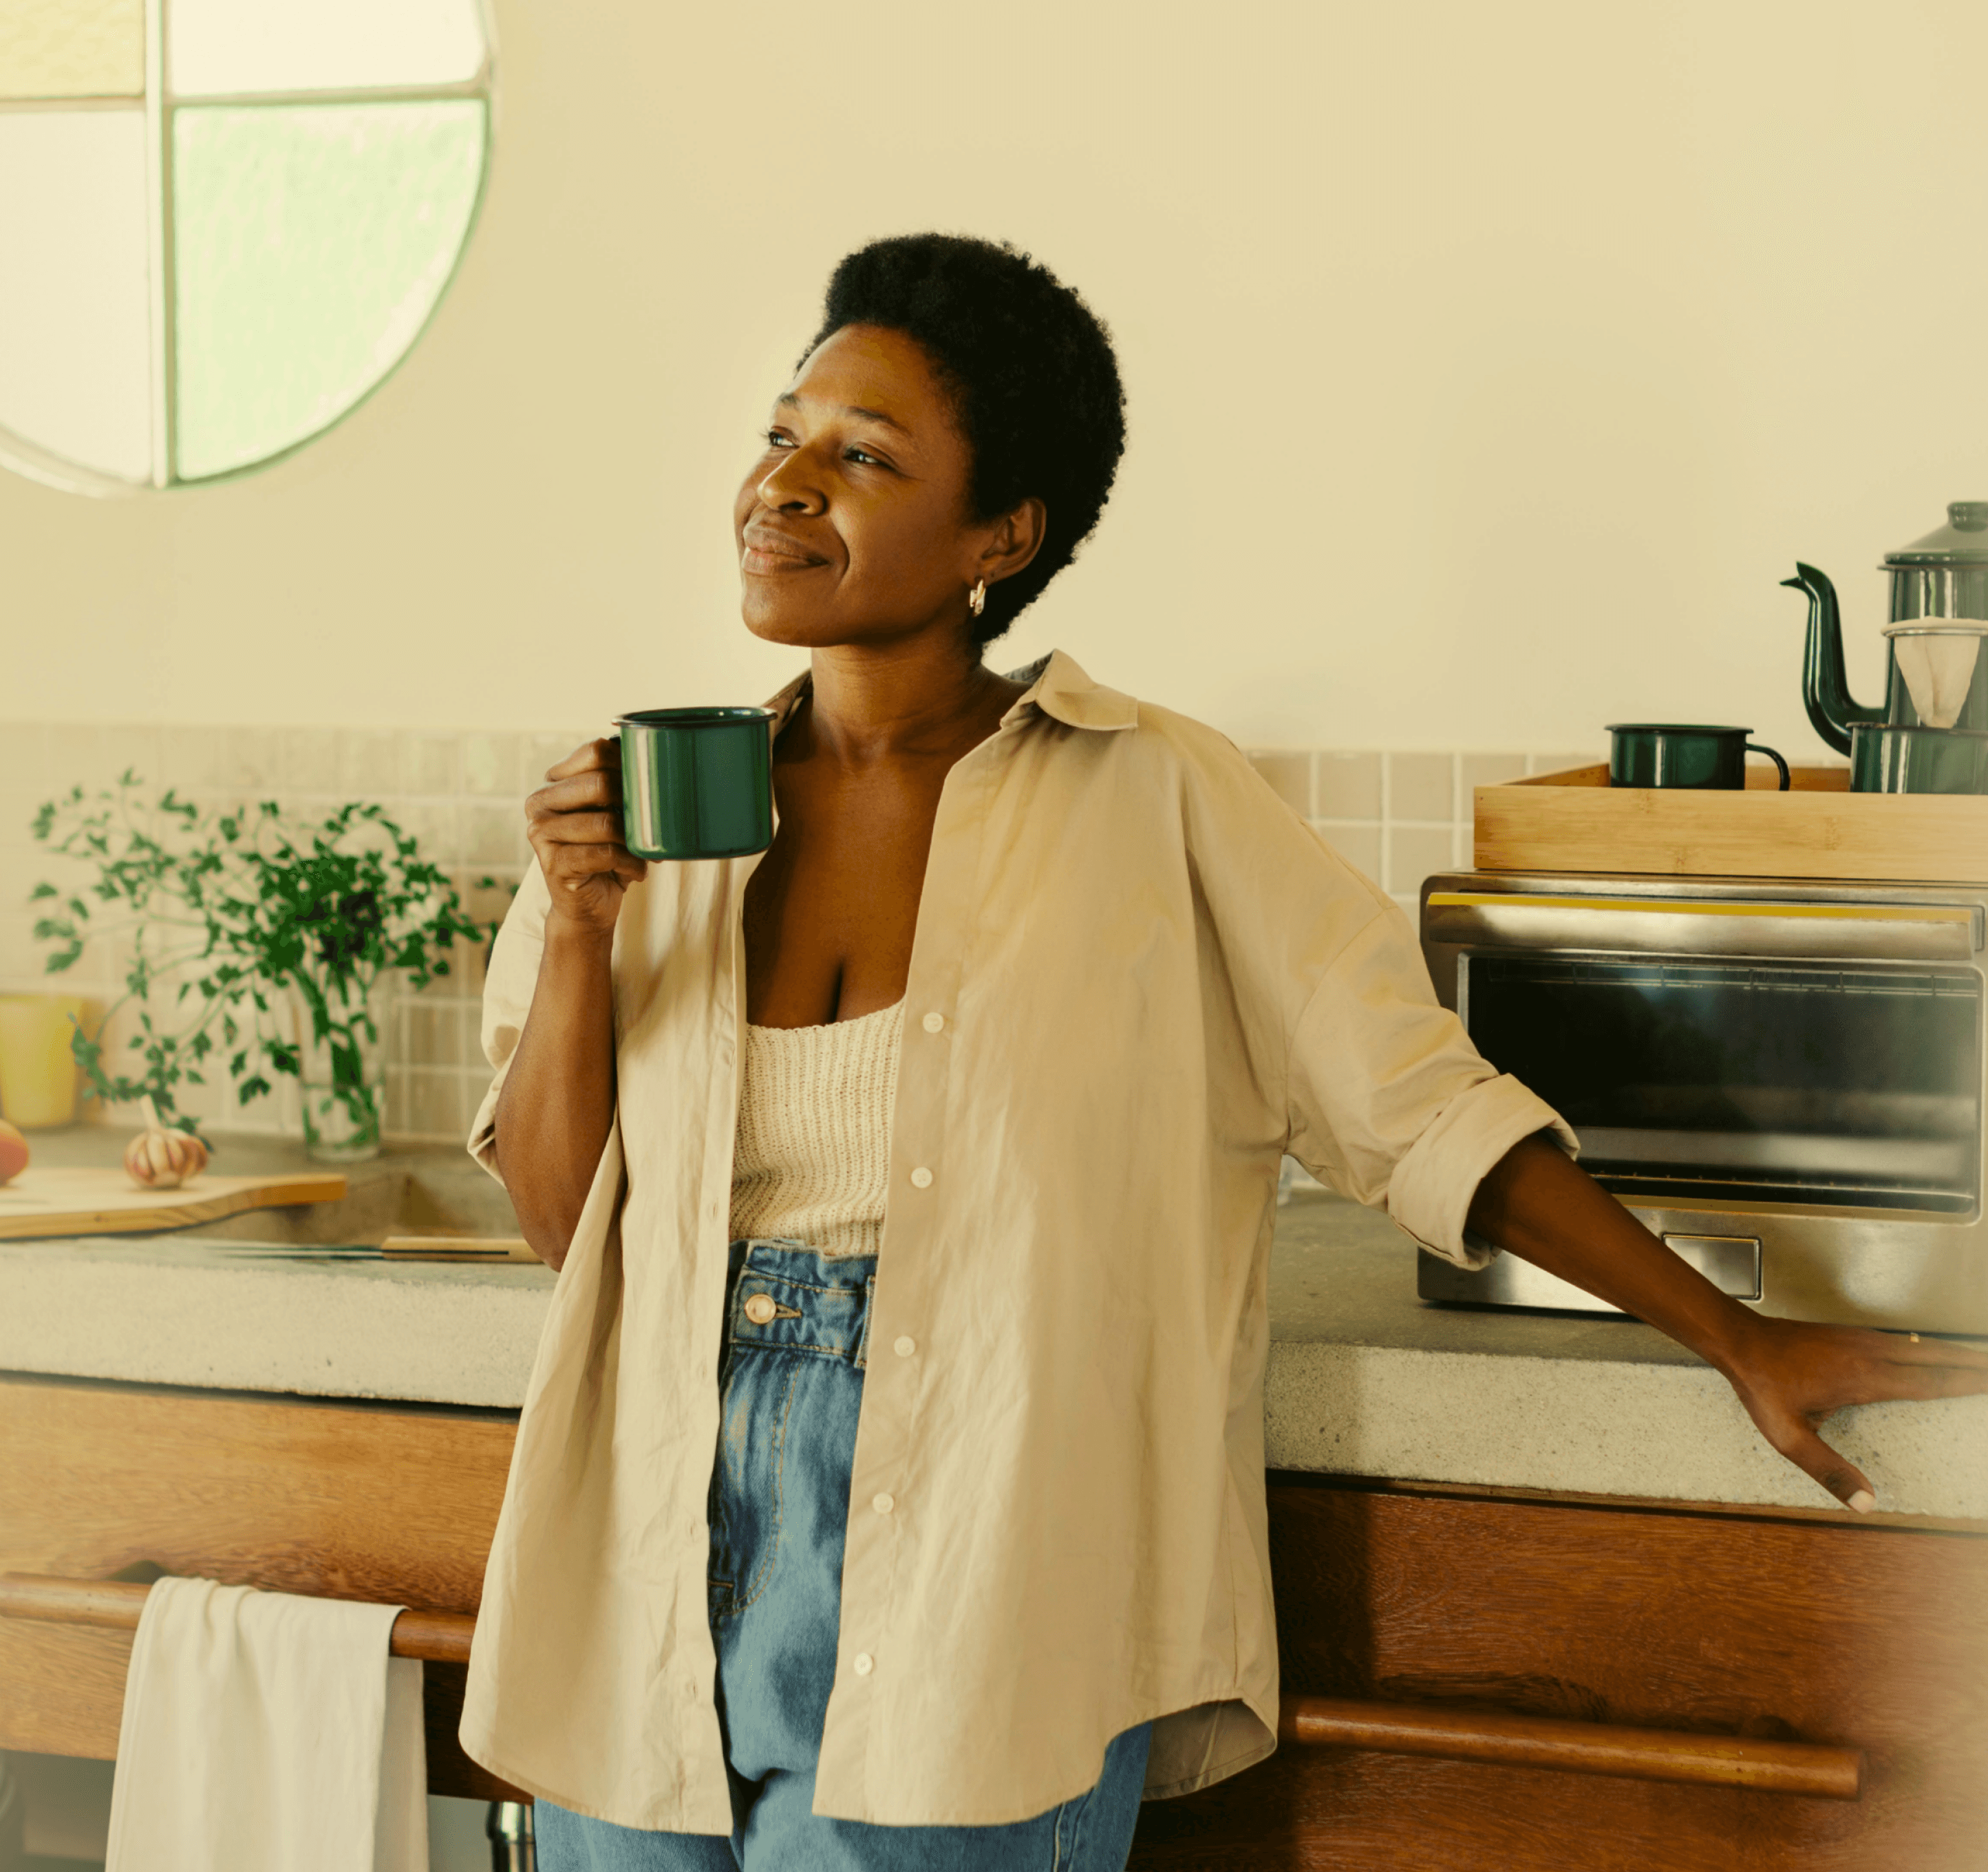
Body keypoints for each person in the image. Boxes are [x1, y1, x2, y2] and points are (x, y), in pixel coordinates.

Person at [455, 232, 1988, 1871]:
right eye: (782, 430)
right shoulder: (644, 814)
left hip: (984, 1563)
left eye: (862, 453)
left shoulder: (1155, 799)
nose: (784, 481)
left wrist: (1730, 1333)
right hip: (640, 1563)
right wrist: (576, 928)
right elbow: (569, 1232)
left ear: (1000, 533)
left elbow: (1415, 1108)